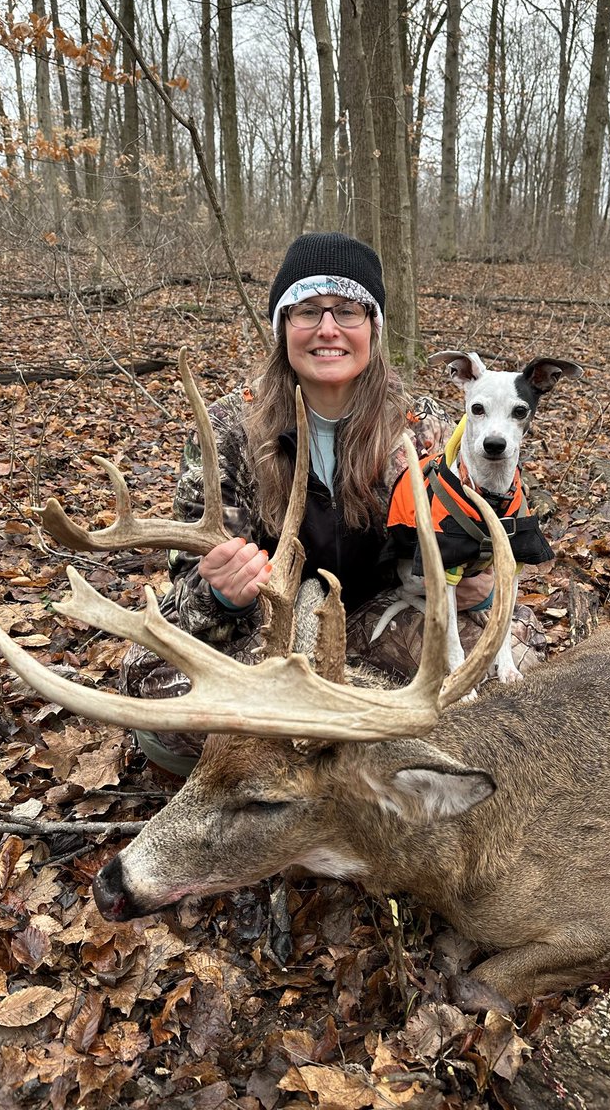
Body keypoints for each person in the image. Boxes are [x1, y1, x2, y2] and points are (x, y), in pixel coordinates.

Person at [122, 232, 514, 775]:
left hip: (384, 619)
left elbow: (478, 536)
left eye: (348, 311)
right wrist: (220, 591)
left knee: (505, 674)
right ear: (283, 326)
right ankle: (357, 745)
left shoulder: (423, 428)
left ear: (373, 329)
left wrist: (476, 581)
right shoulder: (229, 429)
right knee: (152, 690)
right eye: (307, 310)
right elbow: (186, 580)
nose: (328, 329)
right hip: (269, 630)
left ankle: (324, 748)